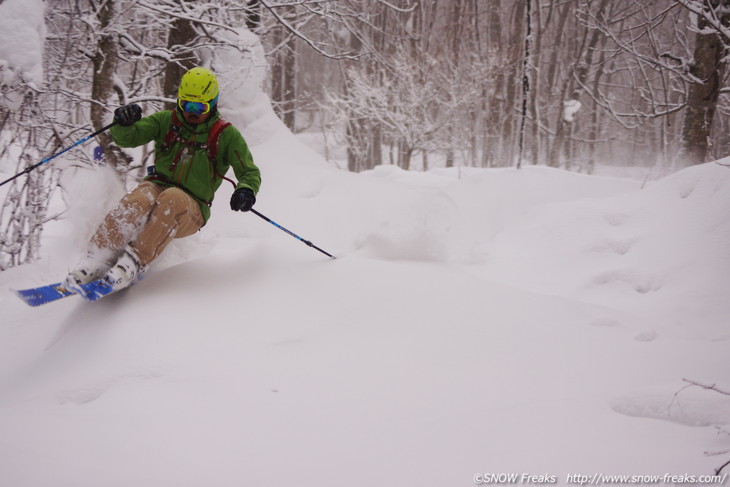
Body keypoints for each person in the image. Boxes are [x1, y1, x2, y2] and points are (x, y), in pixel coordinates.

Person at [65, 66, 261, 293]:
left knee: (172, 198)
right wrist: (122, 122)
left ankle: (132, 262)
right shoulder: (167, 121)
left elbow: (249, 171)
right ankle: (95, 258)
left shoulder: (225, 135)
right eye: (187, 104)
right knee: (139, 198)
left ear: (213, 104)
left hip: (192, 208)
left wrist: (246, 189)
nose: (192, 112)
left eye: (200, 107)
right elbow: (128, 138)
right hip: (158, 185)